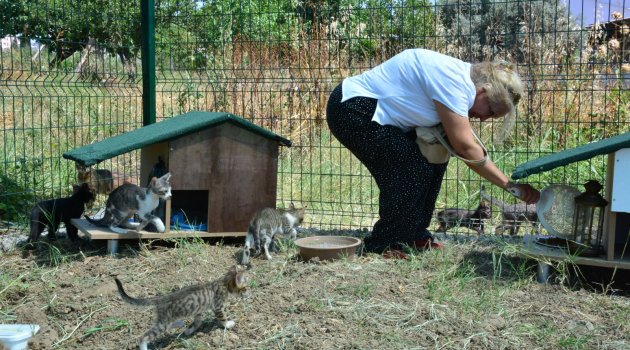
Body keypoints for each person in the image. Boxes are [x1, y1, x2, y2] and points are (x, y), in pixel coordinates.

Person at [325, 48, 540, 258]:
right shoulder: (456, 84)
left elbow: (458, 146)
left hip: (372, 112)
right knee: (410, 168)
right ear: (483, 90)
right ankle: (383, 243)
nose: (484, 119)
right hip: (352, 108)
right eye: (490, 111)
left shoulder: (463, 82)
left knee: (433, 159)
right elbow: (465, 147)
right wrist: (509, 185)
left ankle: (414, 235)